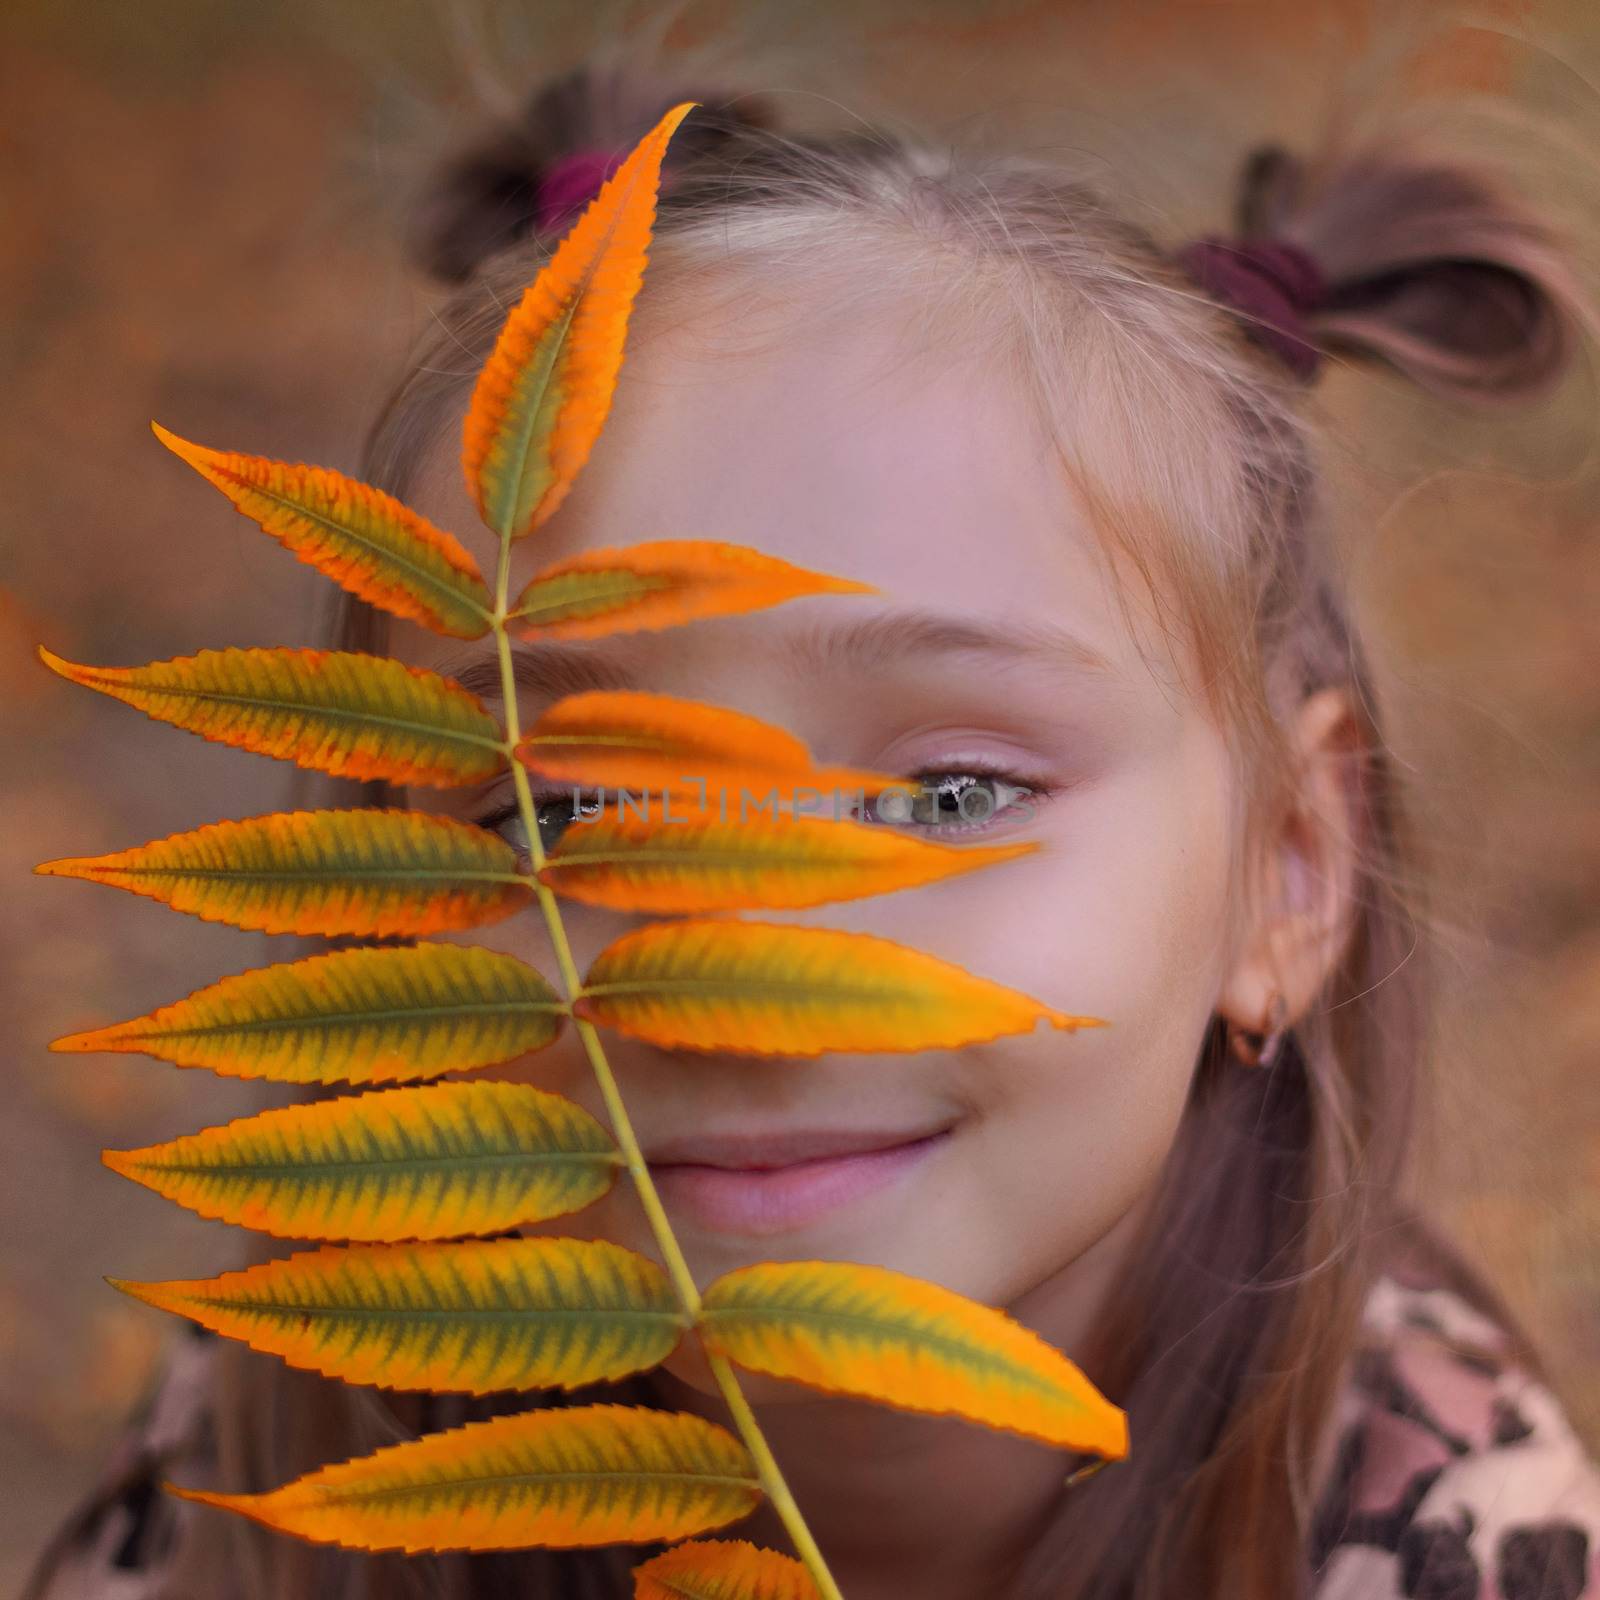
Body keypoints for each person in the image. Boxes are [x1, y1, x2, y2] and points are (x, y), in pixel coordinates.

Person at [25, 41, 1600, 1600]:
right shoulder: (297, 1425)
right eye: (559, 807)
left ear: (1288, 874)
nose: (736, 972)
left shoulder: (1454, 1531)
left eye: (949, 795)